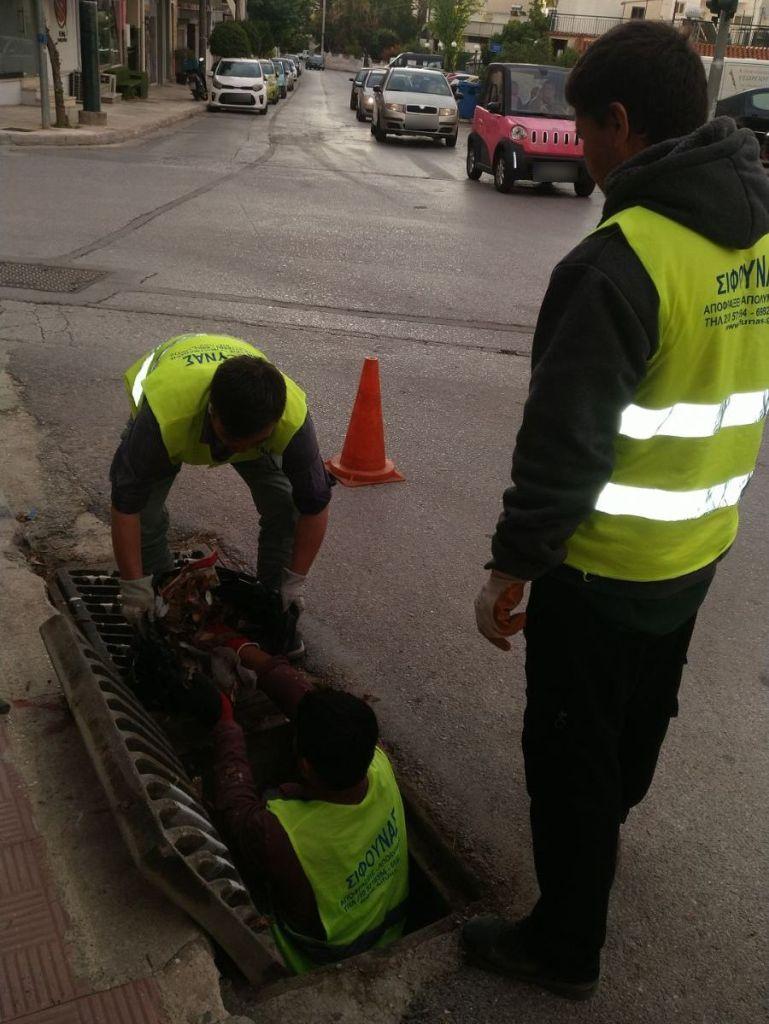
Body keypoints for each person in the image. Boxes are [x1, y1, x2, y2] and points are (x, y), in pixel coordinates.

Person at [466, 21, 769, 1000]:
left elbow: (564, 446)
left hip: (601, 570)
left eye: (583, 129)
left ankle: (562, 947)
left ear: (622, 124)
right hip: (697, 547)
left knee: (566, 754)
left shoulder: (616, 261)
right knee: (640, 718)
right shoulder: (754, 226)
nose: (578, 151)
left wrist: (512, 566)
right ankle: (605, 828)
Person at [110, 334, 333, 655]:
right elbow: (125, 505)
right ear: (213, 413)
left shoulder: (290, 416)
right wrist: (133, 587)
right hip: (177, 412)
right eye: (232, 441)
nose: (239, 451)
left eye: (253, 442)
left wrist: (294, 581)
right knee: (145, 514)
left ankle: (273, 605)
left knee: (286, 508)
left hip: (236, 415)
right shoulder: (163, 417)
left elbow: (315, 504)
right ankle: (160, 598)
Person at [201, 632, 410, 974]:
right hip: (391, 932)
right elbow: (311, 704)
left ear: (306, 766)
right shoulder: (377, 763)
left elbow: (235, 809)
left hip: (317, 963)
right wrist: (245, 649)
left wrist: (226, 722)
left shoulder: (282, 832)